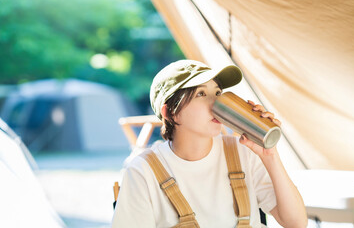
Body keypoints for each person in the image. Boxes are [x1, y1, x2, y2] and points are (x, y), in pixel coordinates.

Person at [112, 60, 307, 228]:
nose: (216, 103)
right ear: (170, 113)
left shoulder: (243, 152)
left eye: (218, 92)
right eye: (201, 94)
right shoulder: (142, 171)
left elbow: (296, 223)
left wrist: (270, 155)